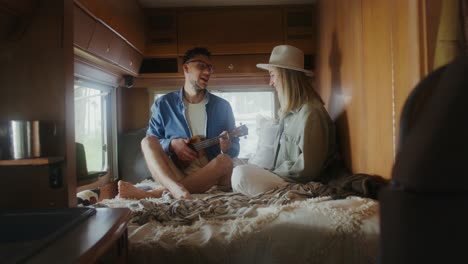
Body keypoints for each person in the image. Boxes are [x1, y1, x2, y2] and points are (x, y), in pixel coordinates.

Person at [119, 47, 240, 199]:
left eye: (210, 68)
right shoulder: (163, 104)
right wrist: (171, 144)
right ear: (186, 68)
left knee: (225, 161)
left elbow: (235, 147)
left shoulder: (223, 106)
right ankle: (175, 188)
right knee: (147, 141)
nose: (208, 72)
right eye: (202, 66)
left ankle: (154, 193)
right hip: (176, 172)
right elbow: (154, 141)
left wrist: (226, 148)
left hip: (212, 175)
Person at [231, 45, 337, 196]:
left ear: (287, 77)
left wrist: (273, 174)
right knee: (236, 168)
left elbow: (308, 170)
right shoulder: (288, 115)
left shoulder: (312, 114)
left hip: (298, 183)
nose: (270, 82)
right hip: (283, 178)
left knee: (241, 174)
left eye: (273, 75)